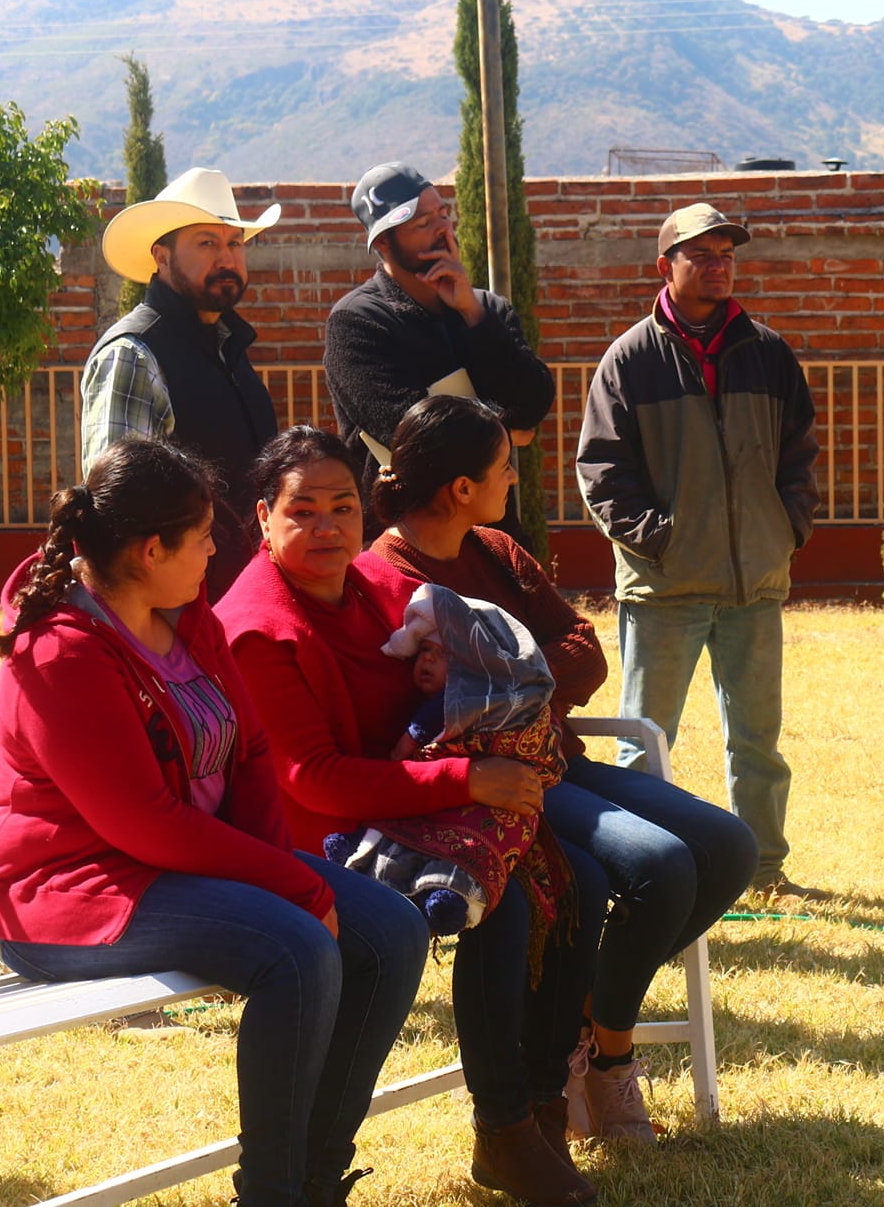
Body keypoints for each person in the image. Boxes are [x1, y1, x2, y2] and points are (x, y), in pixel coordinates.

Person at [0, 437, 427, 1207]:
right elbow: (143, 821)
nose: (217, 551)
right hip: (72, 892)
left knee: (392, 931)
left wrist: (274, 866)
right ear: (153, 550)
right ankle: (273, 1192)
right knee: (294, 952)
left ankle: (318, 1175)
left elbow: (249, 745)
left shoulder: (184, 614)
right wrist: (290, 884)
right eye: (203, 538)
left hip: (179, 865)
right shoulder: (59, 654)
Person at [218, 428, 603, 1207]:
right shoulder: (260, 624)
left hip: (402, 808)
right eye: (303, 511)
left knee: (574, 880)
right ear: (262, 517)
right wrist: (470, 775)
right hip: (306, 836)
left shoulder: (376, 589)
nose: (326, 527)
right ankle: (484, 1132)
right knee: (489, 907)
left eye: (343, 506)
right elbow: (311, 781)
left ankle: (526, 1113)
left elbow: (474, 667)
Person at [371, 394, 757, 1143]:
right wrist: (510, 685)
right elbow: (417, 708)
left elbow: (586, 649)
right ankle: (610, 1060)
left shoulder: (498, 551)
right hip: (489, 790)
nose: (514, 480)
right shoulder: (384, 577)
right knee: (662, 864)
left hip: (559, 760)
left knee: (729, 847)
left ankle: (594, 1034)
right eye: (504, 467)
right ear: (461, 486)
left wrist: (502, 672)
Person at [573, 204, 822, 900]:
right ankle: (636, 872)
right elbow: (599, 470)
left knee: (758, 743)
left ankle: (766, 870)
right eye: (700, 254)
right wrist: (660, 538)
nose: (717, 266)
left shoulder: (767, 351)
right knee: (644, 743)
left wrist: (787, 525)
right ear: (666, 266)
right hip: (667, 590)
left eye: (725, 254)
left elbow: (799, 450)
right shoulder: (629, 360)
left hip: (755, 586)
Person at [324, 162, 553, 546]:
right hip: (403, 546)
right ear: (383, 243)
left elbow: (532, 402)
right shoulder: (357, 322)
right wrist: (505, 432)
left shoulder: (487, 310)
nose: (442, 229)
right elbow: (410, 434)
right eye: (422, 223)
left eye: (442, 214)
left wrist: (472, 314)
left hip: (492, 541)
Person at [327, 583, 569, 938]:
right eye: (423, 650)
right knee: (401, 815)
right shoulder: (436, 708)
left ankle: (452, 895)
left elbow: (405, 748)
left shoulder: (457, 708)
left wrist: (400, 757)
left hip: (495, 796)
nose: (426, 660)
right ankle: (358, 853)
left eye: (440, 655)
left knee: (480, 841)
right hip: (442, 786)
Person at [84, 168, 282, 601]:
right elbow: (115, 513)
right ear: (162, 256)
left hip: (242, 608)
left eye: (234, 243)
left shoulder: (228, 349)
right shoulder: (134, 353)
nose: (227, 258)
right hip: (175, 618)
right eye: (207, 242)